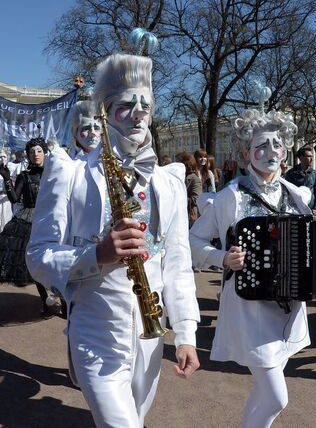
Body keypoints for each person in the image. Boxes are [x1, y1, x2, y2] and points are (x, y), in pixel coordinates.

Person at [26, 49, 200, 428]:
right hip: (95, 331)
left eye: (146, 106)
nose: (139, 113)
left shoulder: (169, 182)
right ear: (104, 111)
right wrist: (97, 255)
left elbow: (178, 265)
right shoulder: (69, 174)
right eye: (126, 105)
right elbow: (37, 256)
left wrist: (186, 333)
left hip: (150, 338)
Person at [189, 103, 311, 426]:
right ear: (246, 153)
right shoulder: (232, 196)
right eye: (262, 145)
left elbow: (312, 242)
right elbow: (192, 243)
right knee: (277, 396)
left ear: (285, 151)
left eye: (276, 144)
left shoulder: (296, 195)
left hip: (286, 308)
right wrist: (222, 259)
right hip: (249, 310)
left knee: (263, 391)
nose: (271, 150)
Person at [0, 138, 53, 315]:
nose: (35, 155)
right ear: (28, 156)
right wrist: (7, 179)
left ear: (45, 153)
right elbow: (15, 198)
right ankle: (46, 301)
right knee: (36, 262)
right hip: (30, 219)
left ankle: (64, 301)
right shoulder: (25, 175)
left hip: (53, 219)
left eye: (39, 151)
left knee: (54, 261)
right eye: (32, 152)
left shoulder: (54, 173)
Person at [285, 145, 316, 213]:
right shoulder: (291, 173)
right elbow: (286, 192)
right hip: (294, 210)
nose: (311, 159)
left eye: (312, 156)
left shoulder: (315, 174)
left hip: (310, 210)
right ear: (301, 158)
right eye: (308, 156)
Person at [176, 152, 202, 227]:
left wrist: (178, 198)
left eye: (179, 163)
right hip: (178, 214)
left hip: (188, 216)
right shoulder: (178, 177)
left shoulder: (194, 179)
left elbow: (196, 199)